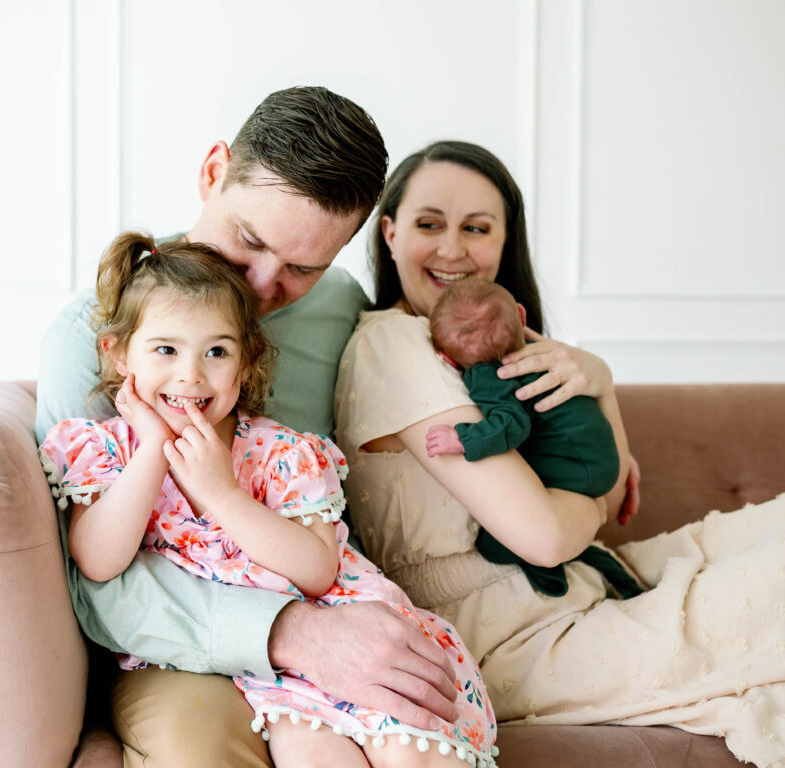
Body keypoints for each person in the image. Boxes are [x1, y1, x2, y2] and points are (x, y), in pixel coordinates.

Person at [36, 87, 460, 768]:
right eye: (250, 239)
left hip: (328, 593)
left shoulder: (339, 308)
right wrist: (291, 634)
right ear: (212, 173)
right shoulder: (98, 336)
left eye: (302, 269)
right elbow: (89, 579)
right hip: (177, 651)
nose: (262, 286)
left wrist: (580, 385)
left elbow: (450, 343)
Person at [334, 139, 785, 768]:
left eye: (477, 228)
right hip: (511, 636)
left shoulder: (502, 347)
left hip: (584, 582)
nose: (452, 248)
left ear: (503, 240)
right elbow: (548, 534)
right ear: (389, 231)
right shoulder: (394, 344)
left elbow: (612, 481)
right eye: (429, 224)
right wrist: (591, 504)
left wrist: (597, 378)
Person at [425, 277, 640, 598]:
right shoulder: (546, 356)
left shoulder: (486, 375)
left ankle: (548, 572)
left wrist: (463, 439)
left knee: (494, 543)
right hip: (600, 458)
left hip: (580, 470)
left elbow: (512, 425)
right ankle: (588, 562)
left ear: (447, 360)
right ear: (522, 318)